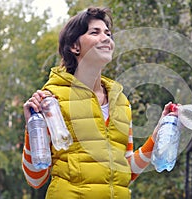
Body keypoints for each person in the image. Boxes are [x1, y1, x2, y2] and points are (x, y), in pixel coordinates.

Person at [22, 6, 175, 199]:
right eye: (95, 32)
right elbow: (35, 179)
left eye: (108, 34)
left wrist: (156, 136)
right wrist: (32, 128)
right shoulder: (51, 99)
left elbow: (125, 172)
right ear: (74, 46)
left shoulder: (120, 102)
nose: (106, 38)